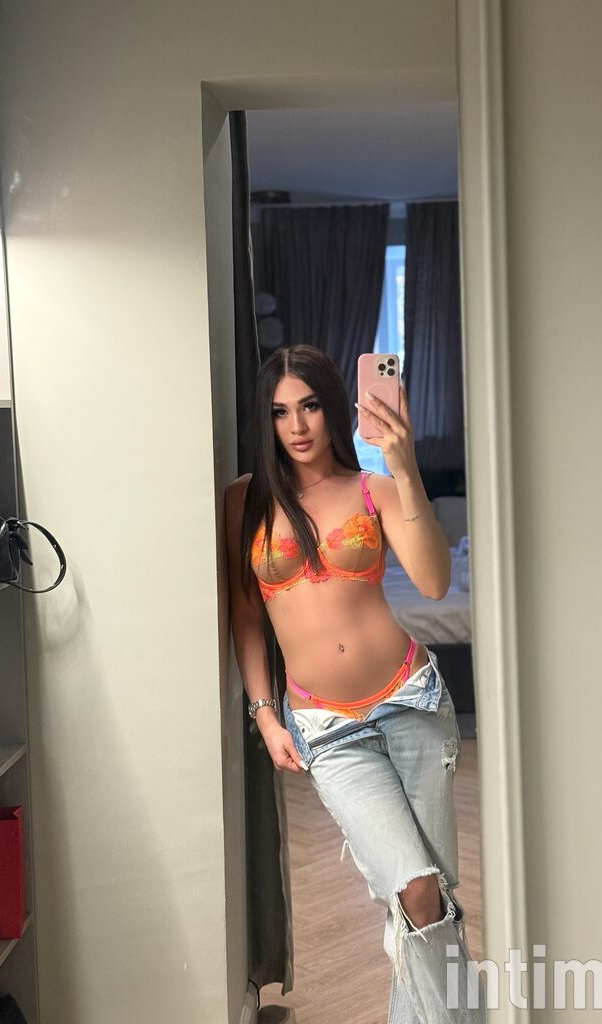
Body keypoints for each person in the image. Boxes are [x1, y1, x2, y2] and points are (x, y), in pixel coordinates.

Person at [225, 345, 486, 1023]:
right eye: (280, 411)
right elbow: (246, 616)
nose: (297, 425)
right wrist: (264, 714)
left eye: (310, 405)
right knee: (417, 890)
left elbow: (434, 582)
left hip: (411, 700)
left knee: (426, 904)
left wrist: (405, 465)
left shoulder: (376, 488)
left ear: (334, 408)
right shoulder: (244, 502)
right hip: (327, 726)